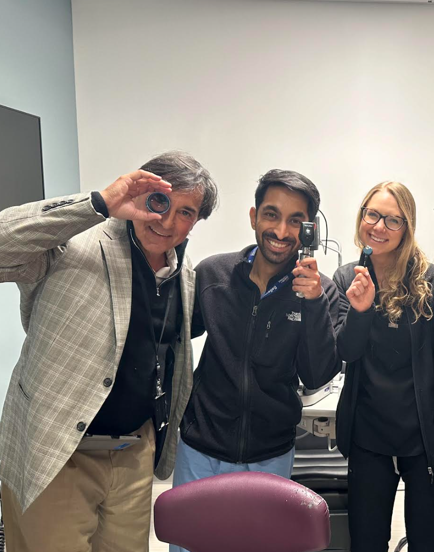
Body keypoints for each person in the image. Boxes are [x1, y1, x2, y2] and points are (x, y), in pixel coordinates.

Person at [0, 152, 218, 552]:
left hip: (131, 457)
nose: (166, 222)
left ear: (196, 221)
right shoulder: (74, 243)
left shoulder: (184, 273)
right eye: (160, 202)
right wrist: (97, 203)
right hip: (57, 454)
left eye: (185, 212)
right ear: (141, 193)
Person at [171, 169, 342, 552]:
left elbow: (317, 375)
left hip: (270, 456)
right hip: (201, 448)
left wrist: (312, 304)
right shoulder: (214, 274)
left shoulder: (320, 290)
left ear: (309, 228)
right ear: (253, 217)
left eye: (295, 220)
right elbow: (173, 336)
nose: (281, 231)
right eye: (271, 214)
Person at [333, 181, 434, 552]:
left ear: (407, 227)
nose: (379, 227)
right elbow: (345, 351)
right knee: (367, 541)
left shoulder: (431, 281)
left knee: (427, 542)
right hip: (368, 438)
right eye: (372, 215)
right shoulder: (347, 278)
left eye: (393, 220)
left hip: (424, 440)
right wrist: (360, 310)